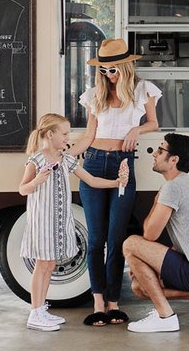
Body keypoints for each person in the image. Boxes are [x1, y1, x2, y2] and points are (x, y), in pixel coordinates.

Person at [78, 38, 161, 327]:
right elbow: (88, 137)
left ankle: (114, 302)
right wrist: (61, 154)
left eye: (112, 70)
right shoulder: (94, 96)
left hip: (123, 164)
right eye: (103, 70)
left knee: (116, 239)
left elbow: (154, 123)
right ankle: (98, 301)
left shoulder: (143, 90)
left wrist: (136, 130)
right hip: (93, 162)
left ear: (125, 67)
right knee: (95, 240)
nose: (108, 76)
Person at [18, 113, 128, 332]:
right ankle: (35, 312)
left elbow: (91, 180)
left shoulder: (67, 160)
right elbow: (22, 189)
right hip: (42, 222)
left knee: (49, 265)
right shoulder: (36, 160)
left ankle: (41, 310)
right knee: (42, 265)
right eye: (65, 133)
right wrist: (37, 180)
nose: (68, 138)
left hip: (58, 222)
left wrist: (117, 182)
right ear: (50, 134)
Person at [123, 133, 189, 333]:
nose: (155, 153)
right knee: (139, 287)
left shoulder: (173, 188)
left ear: (174, 160)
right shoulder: (185, 185)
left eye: (161, 150)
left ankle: (166, 316)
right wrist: (146, 266)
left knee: (130, 244)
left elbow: (149, 235)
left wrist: (156, 201)